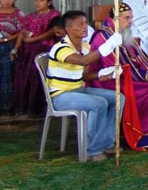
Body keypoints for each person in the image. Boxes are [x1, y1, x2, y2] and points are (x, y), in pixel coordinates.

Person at [88, 3, 148, 149]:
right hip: (110, 80)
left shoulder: (124, 33)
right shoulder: (103, 36)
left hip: (130, 76)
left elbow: (140, 56)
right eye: (127, 18)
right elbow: (114, 65)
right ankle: (146, 135)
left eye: (131, 17)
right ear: (115, 19)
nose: (130, 21)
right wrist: (145, 76)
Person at [47, 10, 125, 162]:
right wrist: (107, 46)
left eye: (85, 23)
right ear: (69, 29)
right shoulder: (60, 48)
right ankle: (92, 150)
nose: (85, 27)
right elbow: (83, 61)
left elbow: (85, 75)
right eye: (80, 24)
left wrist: (103, 73)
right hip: (60, 96)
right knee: (99, 104)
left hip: (78, 90)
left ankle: (106, 142)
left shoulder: (85, 46)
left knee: (118, 98)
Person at [13, 0, 62, 115]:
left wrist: (32, 40)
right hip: (27, 51)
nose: (38, 3)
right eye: (36, 0)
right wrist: (16, 49)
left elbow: (52, 31)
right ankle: (25, 108)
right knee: (25, 77)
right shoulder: (30, 16)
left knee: (39, 76)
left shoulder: (54, 14)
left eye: (41, 0)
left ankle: (40, 108)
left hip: (44, 48)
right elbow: (23, 32)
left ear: (49, 3)